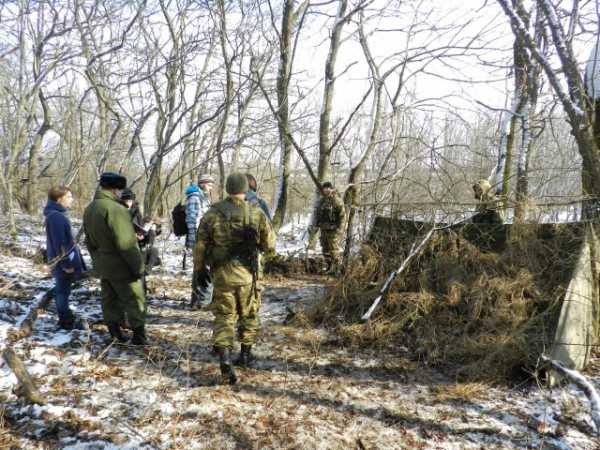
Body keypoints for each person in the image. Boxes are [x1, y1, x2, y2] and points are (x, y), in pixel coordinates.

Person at [194, 172, 275, 385]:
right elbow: (270, 246)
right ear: (245, 189)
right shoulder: (256, 213)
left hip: (222, 274)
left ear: (228, 188)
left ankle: (225, 358)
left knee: (224, 316)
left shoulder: (212, 213)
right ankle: (246, 355)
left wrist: (199, 268)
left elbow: (200, 244)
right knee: (249, 313)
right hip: (248, 274)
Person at [83, 172, 147, 345]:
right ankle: (139, 338)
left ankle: (114, 334)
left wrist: (97, 260)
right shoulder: (116, 209)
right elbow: (126, 243)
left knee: (109, 299)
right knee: (135, 299)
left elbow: (88, 241)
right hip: (121, 264)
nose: (121, 193)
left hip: (103, 264)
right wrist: (139, 267)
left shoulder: (90, 208)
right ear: (115, 190)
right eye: (120, 190)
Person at [43, 186, 87, 330]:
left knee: (63, 290)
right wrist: (66, 264)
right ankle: (65, 321)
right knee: (62, 291)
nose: (71, 199)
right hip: (62, 261)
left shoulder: (56, 214)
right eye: (69, 196)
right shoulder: (56, 216)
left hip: (61, 259)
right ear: (60, 199)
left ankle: (65, 316)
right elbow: (59, 242)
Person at [187, 174, 215, 308]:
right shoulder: (195, 198)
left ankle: (197, 301)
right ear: (202, 183)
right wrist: (193, 241)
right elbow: (192, 220)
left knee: (200, 269)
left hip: (204, 238)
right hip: (199, 240)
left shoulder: (204, 197)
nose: (211, 187)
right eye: (209, 184)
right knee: (202, 270)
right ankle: (201, 302)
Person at [314, 181, 346, 274]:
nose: (327, 190)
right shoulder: (322, 200)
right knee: (325, 249)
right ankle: (329, 267)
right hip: (323, 228)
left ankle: (337, 269)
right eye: (325, 188)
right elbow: (317, 214)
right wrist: (316, 225)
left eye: (328, 188)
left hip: (333, 230)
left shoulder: (337, 200)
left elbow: (342, 216)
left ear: (332, 189)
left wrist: (340, 228)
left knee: (334, 250)